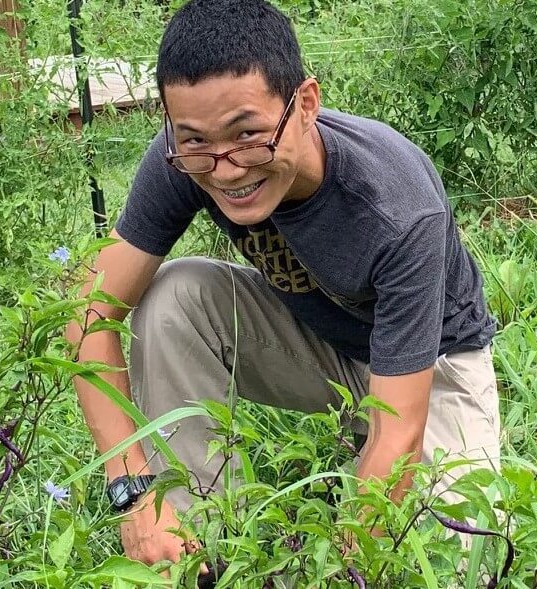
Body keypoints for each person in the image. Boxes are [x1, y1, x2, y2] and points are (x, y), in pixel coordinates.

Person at [67, 0, 501, 572]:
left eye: (248, 134)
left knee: (456, 557)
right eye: (194, 139)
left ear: (305, 105)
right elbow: (88, 313)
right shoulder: (183, 158)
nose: (224, 167)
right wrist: (134, 492)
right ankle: (197, 542)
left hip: (433, 367)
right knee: (173, 298)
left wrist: (346, 565)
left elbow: (400, 425)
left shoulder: (397, 204)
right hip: (322, 343)